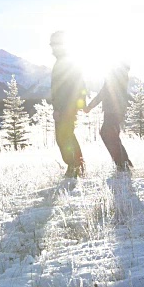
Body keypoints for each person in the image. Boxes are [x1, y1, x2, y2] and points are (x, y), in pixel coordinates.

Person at [49, 31, 87, 178]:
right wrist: (81, 103)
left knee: (63, 137)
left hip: (65, 107)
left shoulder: (64, 61)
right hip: (68, 106)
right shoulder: (65, 60)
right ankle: (76, 166)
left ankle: (75, 166)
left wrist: (59, 109)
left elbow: (64, 88)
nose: (52, 48)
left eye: (54, 44)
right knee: (67, 136)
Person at [83, 62, 133, 171]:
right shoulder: (120, 74)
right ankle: (125, 164)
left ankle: (122, 165)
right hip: (116, 110)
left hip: (113, 110)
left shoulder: (115, 74)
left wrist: (90, 106)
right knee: (113, 136)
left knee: (107, 134)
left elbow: (104, 92)